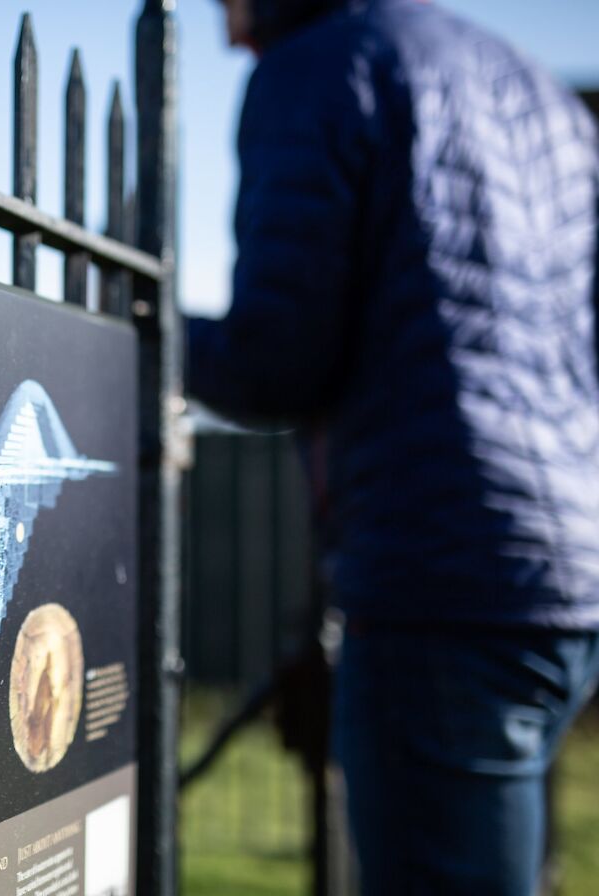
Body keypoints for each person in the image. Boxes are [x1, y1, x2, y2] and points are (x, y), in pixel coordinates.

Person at [188, 0, 599, 892]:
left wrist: (141, 329)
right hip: (566, 573)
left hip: (437, 581)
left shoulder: (315, 69)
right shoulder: (541, 94)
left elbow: (275, 360)